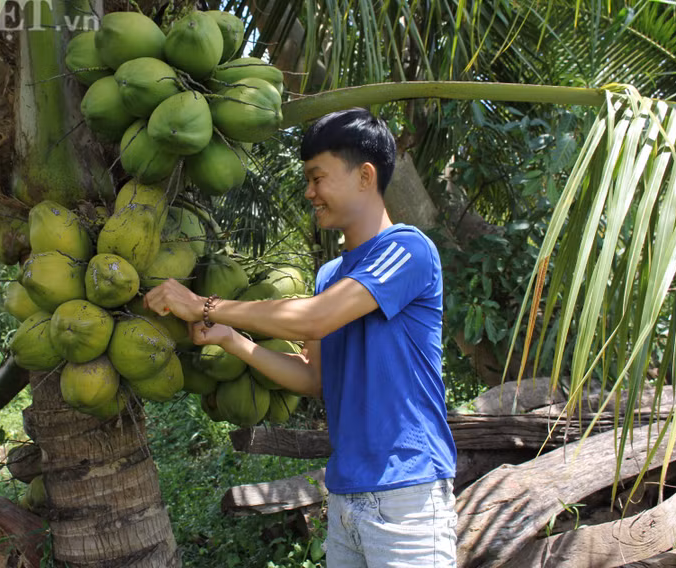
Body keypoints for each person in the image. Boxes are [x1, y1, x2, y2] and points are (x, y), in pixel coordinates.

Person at [144, 108, 458, 567]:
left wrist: (205, 305)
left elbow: (316, 319)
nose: (309, 192)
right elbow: (315, 378)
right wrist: (234, 340)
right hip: (348, 494)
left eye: (317, 178)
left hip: (406, 496)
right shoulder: (331, 274)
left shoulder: (407, 250)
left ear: (365, 176)